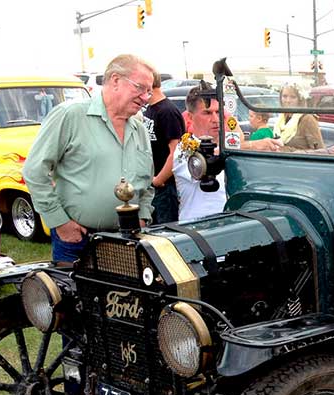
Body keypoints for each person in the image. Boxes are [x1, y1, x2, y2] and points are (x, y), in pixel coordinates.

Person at [24, 54, 156, 263]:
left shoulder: (139, 128)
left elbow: (146, 182)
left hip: (127, 240)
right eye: (140, 88)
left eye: (149, 91)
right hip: (77, 240)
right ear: (115, 81)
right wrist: (59, 222)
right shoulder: (70, 116)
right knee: (74, 295)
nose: (145, 97)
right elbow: (34, 170)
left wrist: (143, 217)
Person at [173, 82, 227, 221]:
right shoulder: (183, 150)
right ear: (190, 117)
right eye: (207, 113)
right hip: (196, 230)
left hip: (229, 226)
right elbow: (207, 164)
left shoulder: (229, 145)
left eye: (218, 112)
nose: (215, 119)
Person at [144, 69, 185, 224]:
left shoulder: (167, 111)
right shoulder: (149, 109)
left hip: (165, 188)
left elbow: (176, 151)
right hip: (152, 186)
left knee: (165, 230)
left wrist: (159, 179)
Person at [273, 83, 324, 150]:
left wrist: (287, 150)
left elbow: (319, 150)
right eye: (285, 96)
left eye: (293, 97)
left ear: (300, 100)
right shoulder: (280, 119)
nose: (288, 101)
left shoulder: (307, 119)